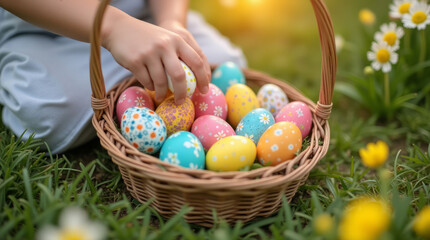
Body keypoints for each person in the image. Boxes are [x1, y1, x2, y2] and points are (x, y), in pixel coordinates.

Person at [0, 0, 247, 153]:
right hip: (48, 27)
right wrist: (113, 28)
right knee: (49, 114)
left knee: (225, 65)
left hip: (146, 16)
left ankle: (130, 87)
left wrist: (171, 21)